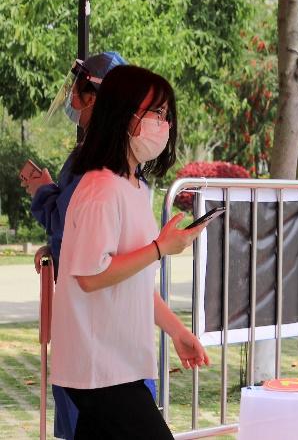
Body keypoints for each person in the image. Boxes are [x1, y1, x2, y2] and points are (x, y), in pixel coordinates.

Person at [49, 65, 210, 439]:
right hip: (99, 368)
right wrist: (160, 248)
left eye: (166, 115)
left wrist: (177, 331)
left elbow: (132, 280)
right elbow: (91, 276)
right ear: (122, 114)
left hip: (118, 364)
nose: (163, 124)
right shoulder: (101, 189)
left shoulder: (135, 188)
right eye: (156, 113)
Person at [20, 52, 128, 440]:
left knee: (90, 408)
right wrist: (55, 247)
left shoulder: (100, 160)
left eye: (79, 93)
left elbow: (71, 220)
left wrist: (42, 191)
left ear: (96, 99)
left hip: (92, 311)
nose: (72, 101)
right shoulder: (102, 154)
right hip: (89, 306)